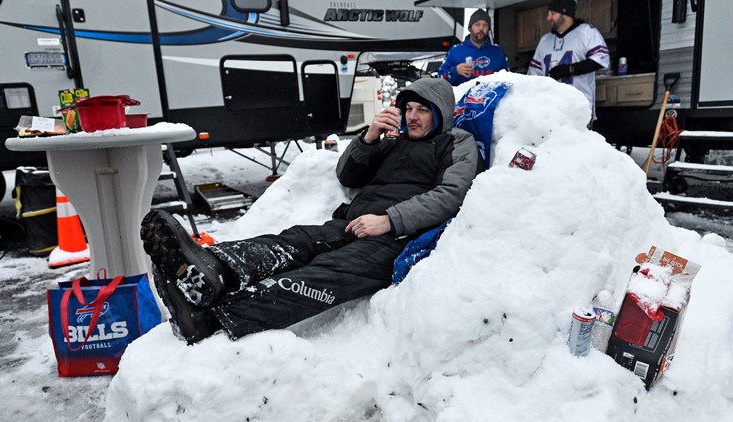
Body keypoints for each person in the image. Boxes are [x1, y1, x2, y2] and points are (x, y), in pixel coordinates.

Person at [140, 78, 482, 345]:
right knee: (295, 241)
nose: (412, 116)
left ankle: (214, 318)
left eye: (422, 110)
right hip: (351, 221)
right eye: (408, 109)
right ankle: (209, 268)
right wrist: (369, 136)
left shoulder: (456, 142)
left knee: (327, 273)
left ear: (439, 112)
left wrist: (390, 220)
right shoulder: (392, 139)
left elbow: (451, 194)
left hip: (396, 236)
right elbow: (348, 175)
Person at [527, 0, 609, 122]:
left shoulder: (587, 32)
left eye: (553, 13)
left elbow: (601, 59)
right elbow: (533, 76)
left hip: (578, 109)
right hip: (549, 110)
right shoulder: (545, 40)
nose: (548, 18)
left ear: (565, 13)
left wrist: (569, 69)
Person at [438, 9, 509, 86]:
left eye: (485, 25)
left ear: (489, 29)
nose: (481, 28)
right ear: (470, 28)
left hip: (492, 96)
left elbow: (508, 79)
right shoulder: (455, 51)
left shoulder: (498, 51)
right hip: (463, 96)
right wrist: (456, 71)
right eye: (477, 24)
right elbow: (440, 79)